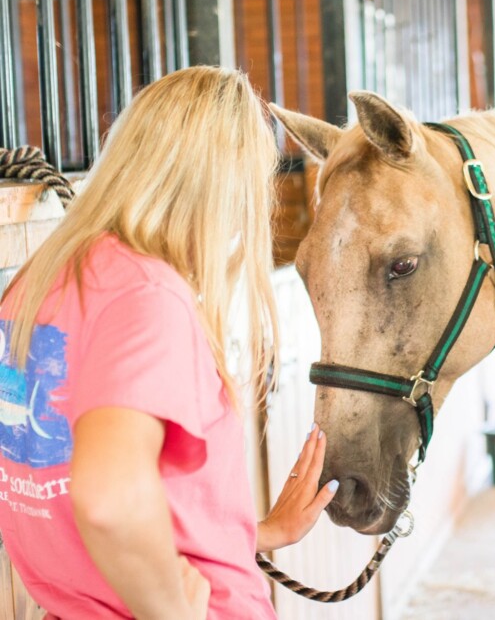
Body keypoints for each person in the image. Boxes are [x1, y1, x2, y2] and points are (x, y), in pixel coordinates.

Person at [0, 66, 337, 619]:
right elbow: (108, 498)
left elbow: (78, 494)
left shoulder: (38, 285)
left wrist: (255, 532)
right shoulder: (147, 295)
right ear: (223, 188)